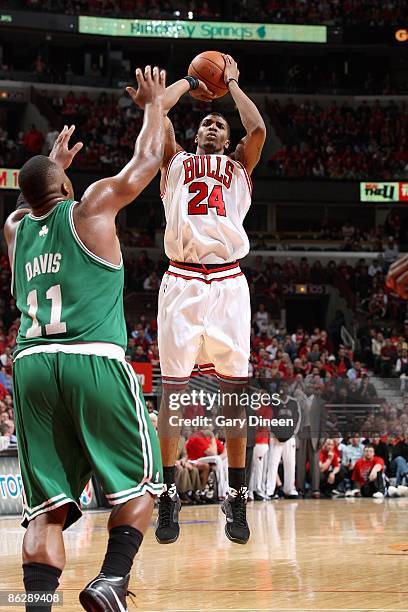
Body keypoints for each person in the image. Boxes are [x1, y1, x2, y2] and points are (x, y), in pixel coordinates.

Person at [4, 66, 166, 612]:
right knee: (143, 485)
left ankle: (37, 606)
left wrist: (53, 164)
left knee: (45, 508)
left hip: (30, 366)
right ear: (68, 186)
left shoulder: (13, 229)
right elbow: (145, 164)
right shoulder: (91, 206)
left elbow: (30, 203)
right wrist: (152, 105)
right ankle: (111, 581)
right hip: (91, 358)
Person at [128, 54, 266, 544]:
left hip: (228, 284)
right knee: (173, 395)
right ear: (196, 134)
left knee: (234, 399)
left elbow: (258, 129)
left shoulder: (239, 164)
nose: (211, 125)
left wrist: (229, 83)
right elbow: (157, 114)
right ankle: (170, 496)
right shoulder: (176, 160)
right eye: (206, 122)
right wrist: (189, 82)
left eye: (218, 124)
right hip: (182, 282)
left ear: (226, 141)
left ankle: (237, 499)